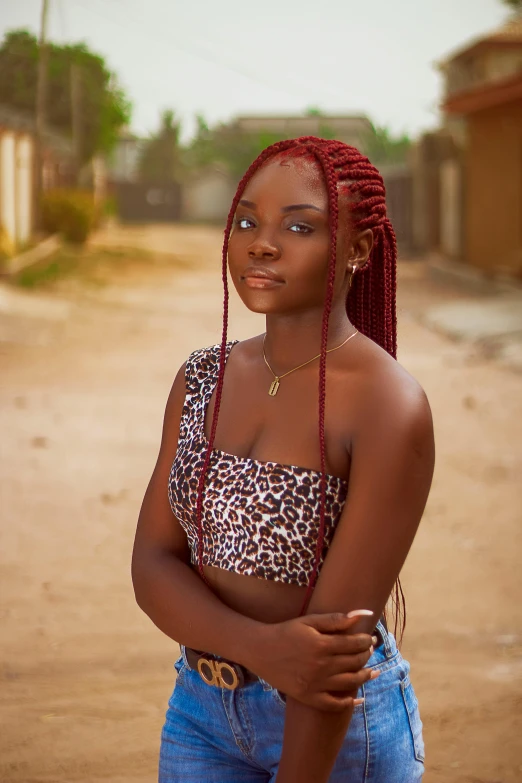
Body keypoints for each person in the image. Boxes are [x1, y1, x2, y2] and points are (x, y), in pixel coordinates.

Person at [132, 136, 435, 782]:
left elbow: (331, 654)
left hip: (333, 732)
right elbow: (152, 564)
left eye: (299, 226)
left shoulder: (387, 404)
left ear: (357, 248)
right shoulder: (200, 377)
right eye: (246, 220)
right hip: (198, 710)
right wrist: (263, 647)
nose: (261, 243)